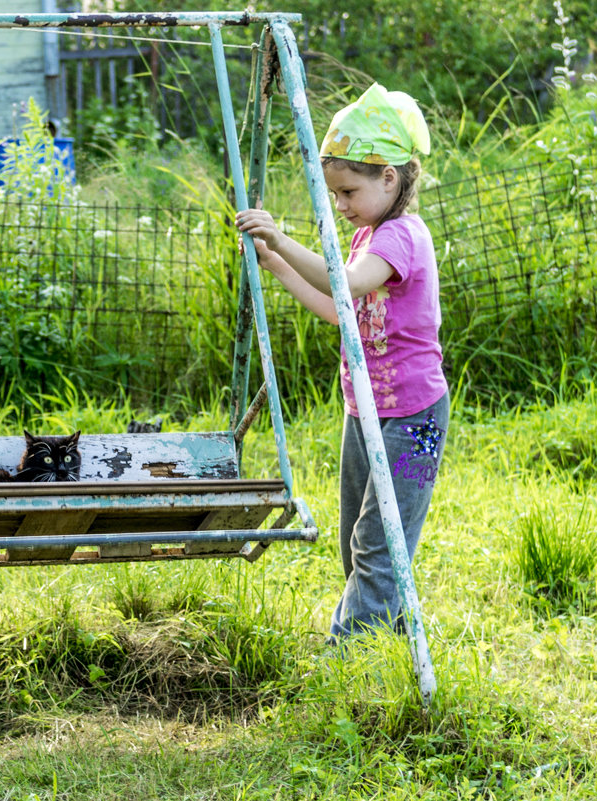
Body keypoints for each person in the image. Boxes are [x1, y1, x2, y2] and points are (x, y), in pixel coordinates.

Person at [235, 83, 449, 643]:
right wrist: (276, 262)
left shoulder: (402, 237)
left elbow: (349, 281)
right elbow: (340, 310)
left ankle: (346, 660)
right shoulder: (364, 236)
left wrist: (282, 238)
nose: (343, 205)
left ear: (389, 177)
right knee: (357, 542)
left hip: (413, 421)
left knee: (381, 543)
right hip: (366, 413)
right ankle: (392, 642)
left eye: (349, 191)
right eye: (335, 195)